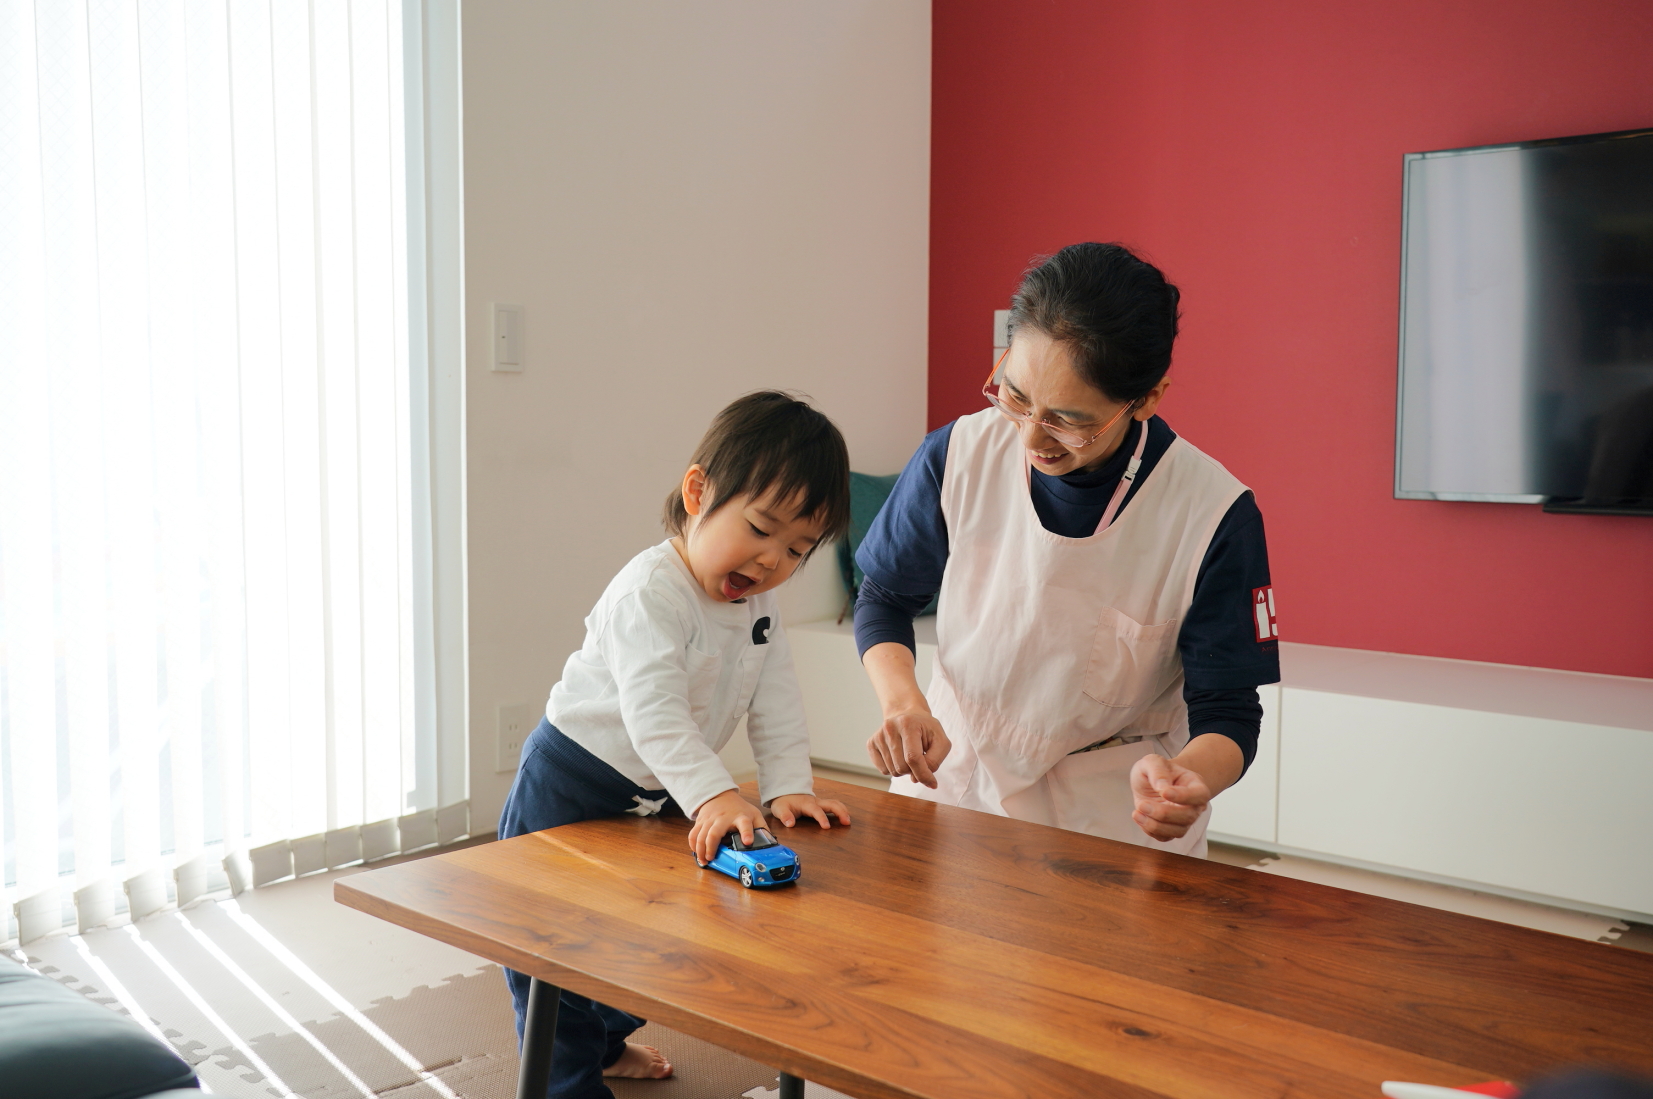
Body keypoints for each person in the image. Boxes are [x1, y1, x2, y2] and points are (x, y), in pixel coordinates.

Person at [855, 242, 1278, 855]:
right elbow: (884, 597)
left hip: (1109, 821)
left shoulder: (1213, 516)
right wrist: (903, 704)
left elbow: (1229, 711)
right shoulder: (958, 454)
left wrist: (1192, 781)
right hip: (957, 784)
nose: (1029, 436)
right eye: (1016, 395)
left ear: (1149, 399)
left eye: (1068, 420)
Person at [498, 391, 853, 1099]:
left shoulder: (757, 605)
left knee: (664, 943)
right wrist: (717, 792)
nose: (772, 559)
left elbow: (774, 695)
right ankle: (573, 1079)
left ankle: (604, 1042)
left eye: (796, 550)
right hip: (571, 782)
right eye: (759, 528)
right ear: (698, 493)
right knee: (556, 962)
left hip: (660, 791)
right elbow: (653, 713)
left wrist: (785, 784)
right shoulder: (649, 594)